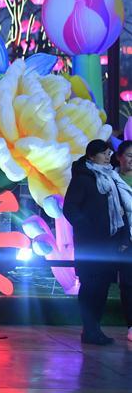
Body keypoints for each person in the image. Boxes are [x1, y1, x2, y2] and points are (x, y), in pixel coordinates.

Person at [64, 139, 132, 345]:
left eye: (108, 153)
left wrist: (120, 238)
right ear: (92, 156)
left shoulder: (111, 178)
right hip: (90, 245)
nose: (107, 157)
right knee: (90, 286)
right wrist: (87, 229)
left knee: (101, 287)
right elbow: (70, 209)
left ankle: (95, 330)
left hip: (108, 245)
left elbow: (120, 213)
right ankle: (89, 329)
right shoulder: (83, 179)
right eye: (103, 154)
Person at [113, 140, 132, 341]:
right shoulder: (111, 180)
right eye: (129, 155)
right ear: (119, 157)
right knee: (128, 283)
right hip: (124, 241)